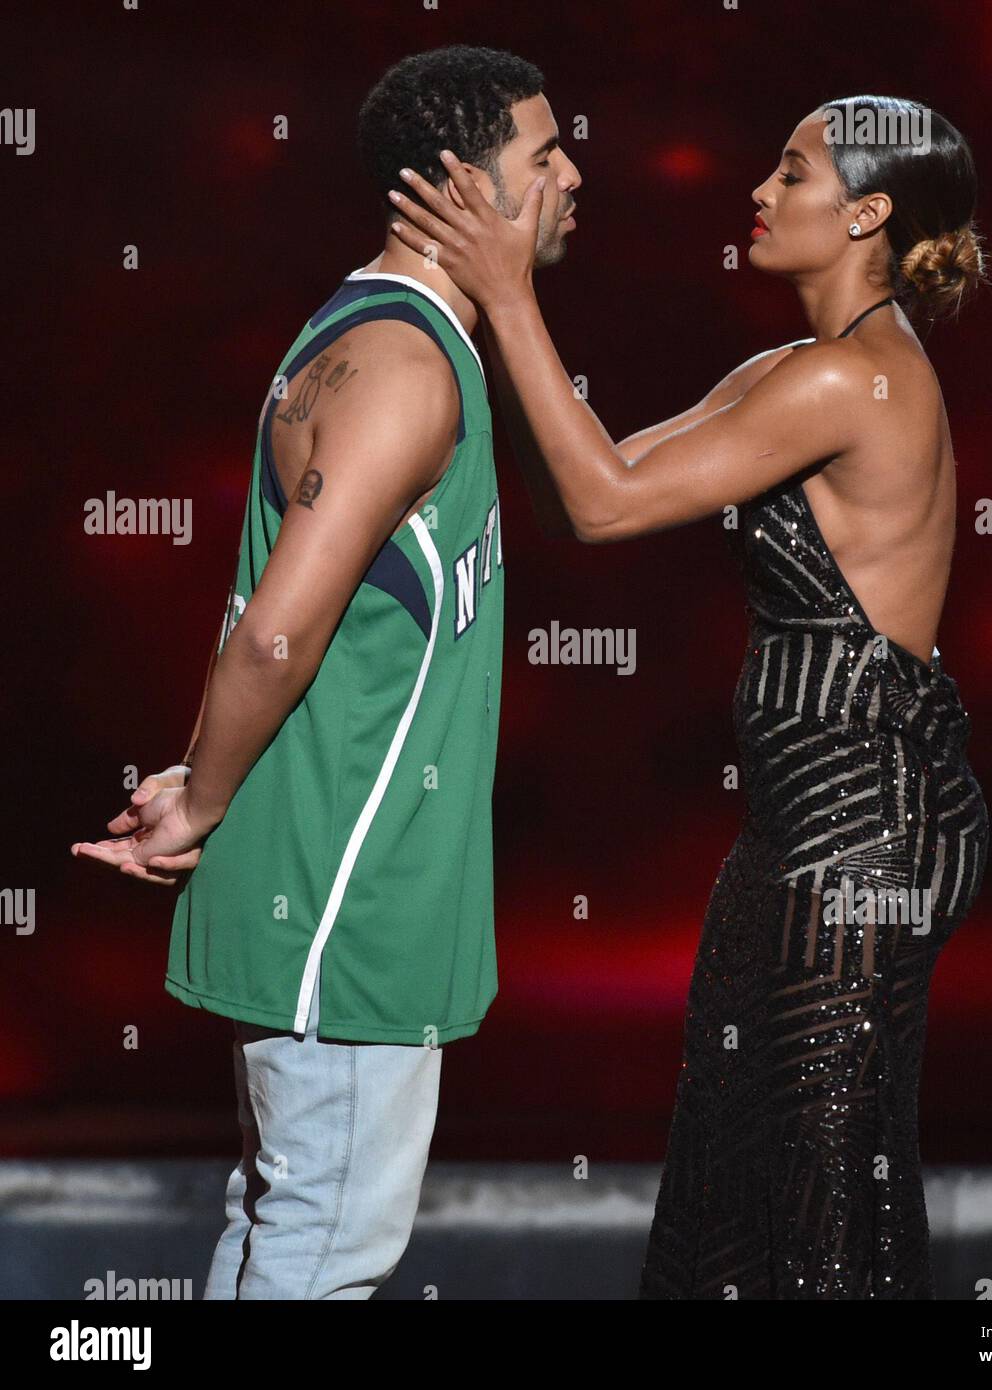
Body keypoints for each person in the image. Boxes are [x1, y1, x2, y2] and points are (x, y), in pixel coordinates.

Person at [389, 92, 990, 1299]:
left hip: (862, 840)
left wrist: (512, 292)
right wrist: (488, 307)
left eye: (793, 172)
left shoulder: (848, 383)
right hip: (801, 834)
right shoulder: (795, 369)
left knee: (823, 1193)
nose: (758, 194)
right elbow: (589, 489)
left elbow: (602, 500)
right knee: (747, 1172)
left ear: (867, 212)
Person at [70, 44, 581, 1300]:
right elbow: (274, 634)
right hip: (344, 892)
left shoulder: (372, 336)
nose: (573, 175)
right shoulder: (405, 369)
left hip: (324, 864)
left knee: (279, 1220)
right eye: (546, 155)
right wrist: (201, 795)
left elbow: (281, 617)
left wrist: (207, 769)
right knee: (323, 1250)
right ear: (462, 186)